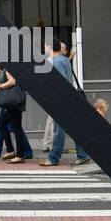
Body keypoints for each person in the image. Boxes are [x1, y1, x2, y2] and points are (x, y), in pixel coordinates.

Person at [39, 38, 90, 167]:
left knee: (58, 131)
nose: (44, 49)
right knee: (75, 129)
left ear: (50, 47)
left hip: (61, 100)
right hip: (69, 99)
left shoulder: (56, 61)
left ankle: (53, 158)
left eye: (45, 46)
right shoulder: (64, 60)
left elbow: (61, 80)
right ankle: (83, 155)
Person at [0, 65, 33, 164]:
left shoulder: (9, 67)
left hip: (12, 102)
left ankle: (20, 155)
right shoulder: (13, 67)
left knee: (16, 128)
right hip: (11, 102)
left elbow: (13, 81)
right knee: (1, 124)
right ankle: (11, 150)